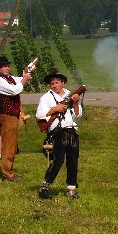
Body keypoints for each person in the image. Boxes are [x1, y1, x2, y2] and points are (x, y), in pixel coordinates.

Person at [36, 71, 83, 199]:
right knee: (58, 160)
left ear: (63, 83)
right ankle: (45, 187)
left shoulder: (71, 96)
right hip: (57, 132)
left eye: (57, 82)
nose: (54, 85)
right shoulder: (46, 97)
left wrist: (76, 103)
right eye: (52, 83)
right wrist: (55, 109)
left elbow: (78, 116)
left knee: (73, 161)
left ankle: (71, 188)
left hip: (71, 131)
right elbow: (40, 115)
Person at [0, 55, 32, 182]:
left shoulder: (9, 78)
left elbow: (20, 80)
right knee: (9, 145)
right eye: (4, 66)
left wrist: (26, 75)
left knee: (12, 145)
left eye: (8, 66)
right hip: (6, 115)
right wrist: (24, 79)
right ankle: (7, 173)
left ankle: (9, 171)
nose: (7, 68)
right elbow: (15, 90)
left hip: (11, 116)